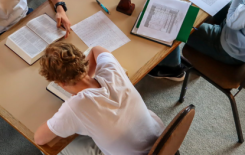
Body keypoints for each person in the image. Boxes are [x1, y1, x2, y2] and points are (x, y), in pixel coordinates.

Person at [34, 43, 164, 155]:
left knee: (52, 149)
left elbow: (39, 139)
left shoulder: (75, 106)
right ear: (81, 60)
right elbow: (97, 49)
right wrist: (85, 76)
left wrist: (77, 93)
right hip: (161, 141)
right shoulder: (112, 70)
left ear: (60, 82)